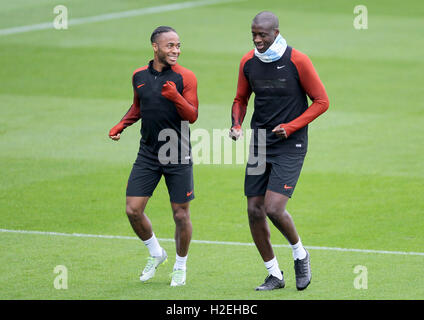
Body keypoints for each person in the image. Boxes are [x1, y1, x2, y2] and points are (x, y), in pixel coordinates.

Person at [229, 11, 329, 291]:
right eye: (253, 35)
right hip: (260, 142)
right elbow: (240, 98)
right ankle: (274, 273)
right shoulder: (248, 62)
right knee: (253, 209)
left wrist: (292, 126)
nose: (257, 40)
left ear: (276, 32)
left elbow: (321, 101)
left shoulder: (298, 60)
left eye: (262, 34)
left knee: (273, 208)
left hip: (290, 144)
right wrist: (236, 124)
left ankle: (300, 254)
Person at [109, 26, 199, 287]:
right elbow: (138, 105)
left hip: (177, 152)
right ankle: (156, 253)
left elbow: (192, 115)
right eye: (170, 45)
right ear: (155, 47)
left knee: (181, 215)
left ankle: (180, 266)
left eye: (178, 45)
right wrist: (121, 125)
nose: (176, 50)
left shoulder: (186, 77)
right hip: (147, 153)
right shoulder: (139, 76)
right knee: (133, 210)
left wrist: (175, 97)